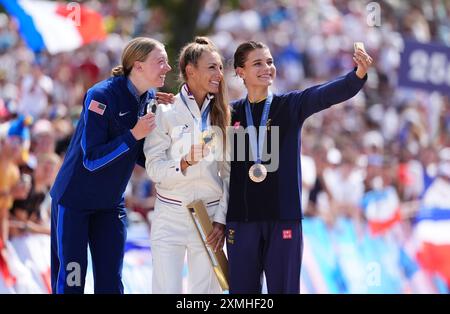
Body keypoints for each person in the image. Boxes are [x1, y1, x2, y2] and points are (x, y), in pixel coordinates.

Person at [226, 40, 373, 293]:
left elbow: (325, 94)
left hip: (283, 219)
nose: (267, 68)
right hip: (241, 222)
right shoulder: (229, 114)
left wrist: (357, 75)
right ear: (240, 72)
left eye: (270, 62)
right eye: (258, 63)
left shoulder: (289, 106)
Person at [49, 37, 172, 294]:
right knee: (72, 282)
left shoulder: (148, 97)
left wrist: (176, 161)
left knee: (111, 284)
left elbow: (140, 155)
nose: (168, 68)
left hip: (110, 204)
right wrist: (133, 135)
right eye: (160, 61)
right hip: (74, 202)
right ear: (137, 66)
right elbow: (91, 159)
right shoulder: (100, 95)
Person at [144, 37, 230, 293]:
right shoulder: (164, 111)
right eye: (212, 67)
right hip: (170, 217)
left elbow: (228, 174)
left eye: (220, 68)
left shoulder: (224, 113)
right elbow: (153, 169)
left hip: (209, 219)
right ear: (190, 71)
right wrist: (183, 162)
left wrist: (221, 220)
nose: (219, 74)